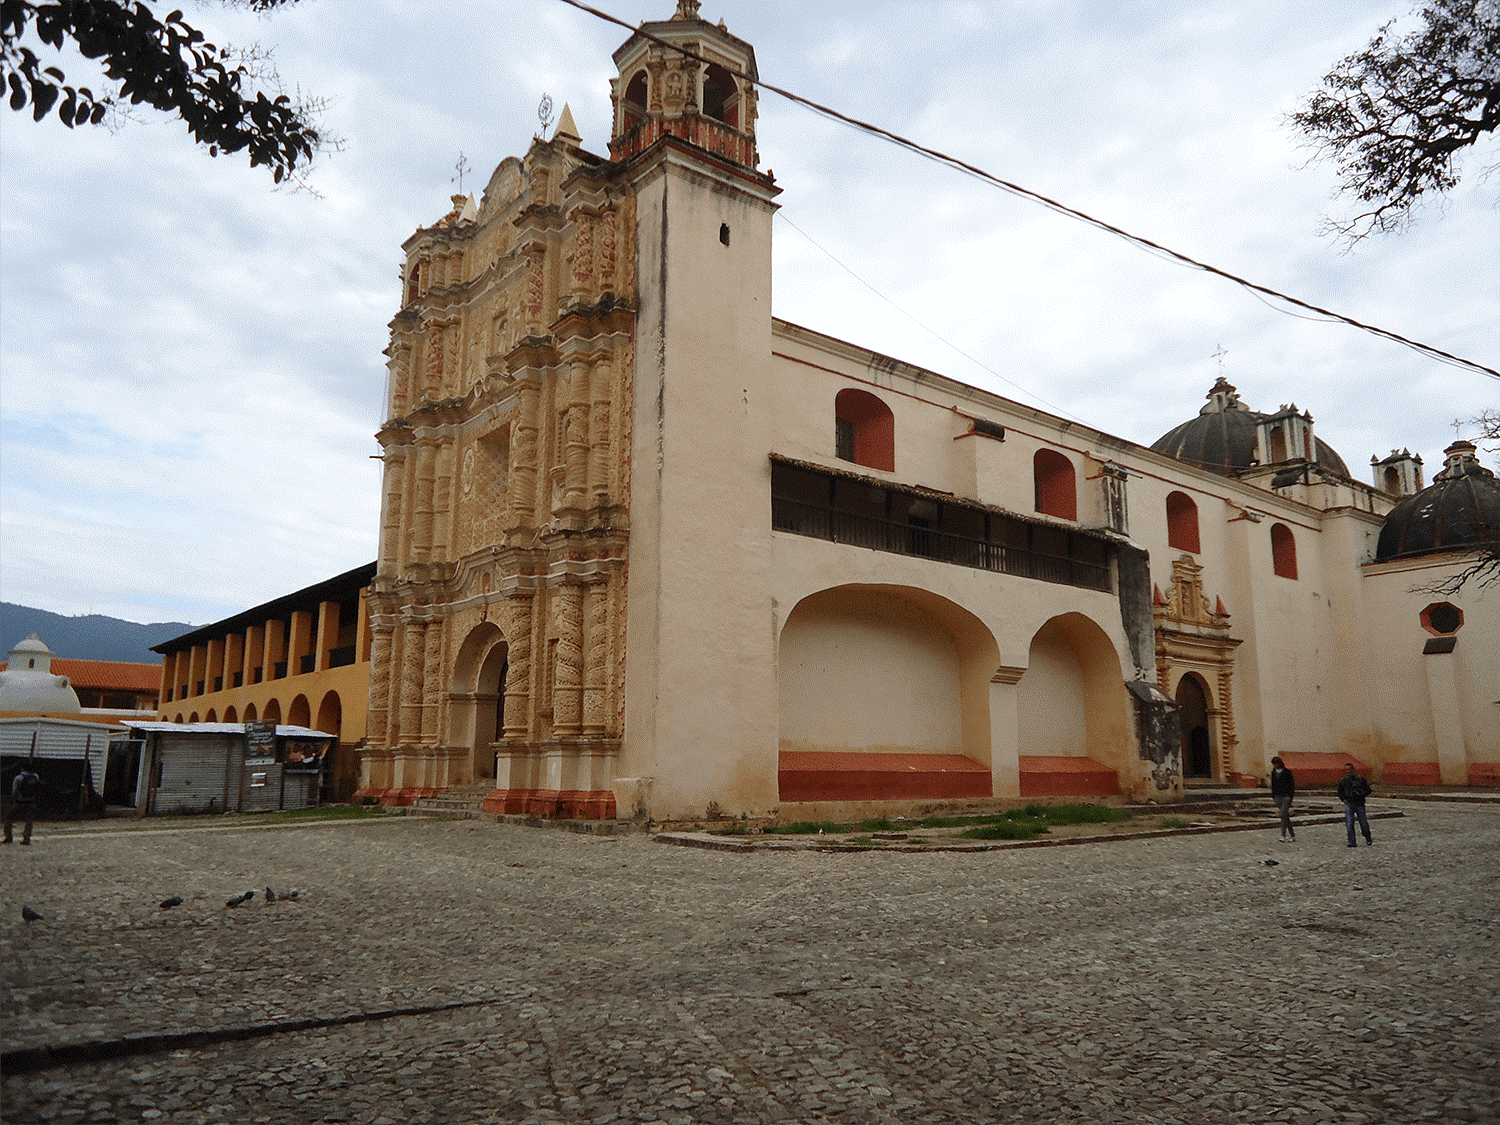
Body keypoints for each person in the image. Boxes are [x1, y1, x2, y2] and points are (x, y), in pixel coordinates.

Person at [1336, 763, 1373, 848]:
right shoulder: (1343, 781)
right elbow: (1340, 792)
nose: (1348, 771)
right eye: (1346, 769)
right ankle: (1352, 841)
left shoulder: (1360, 779)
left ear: (1353, 769)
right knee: (1349, 823)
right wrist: (1344, 799)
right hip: (1349, 803)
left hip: (1359, 803)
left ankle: (1367, 837)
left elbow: (1368, 790)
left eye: (1350, 769)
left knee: (1363, 823)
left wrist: (1361, 793)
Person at [3, 765, 42, 845]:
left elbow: (14, 791)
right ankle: (27, 838)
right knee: (29, 821)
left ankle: (8, 837)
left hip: (20, 802)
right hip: (31, 802)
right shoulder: (35, 776)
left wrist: (14, 801)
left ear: (22, 768)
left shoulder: (19, 777)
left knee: (8, 818)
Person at [1269, 756, 1296, 842]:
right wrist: (1273, 796)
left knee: (1282, 814)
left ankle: (1283, 835)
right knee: (1285, 816)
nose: (1274, 766)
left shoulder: (1287, 772)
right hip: (1278, 797)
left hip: (1286, 797)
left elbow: (1292, 785)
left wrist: (1290, 797)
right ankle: (1292, 835)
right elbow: (1273, 785)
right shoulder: (1273, 773)